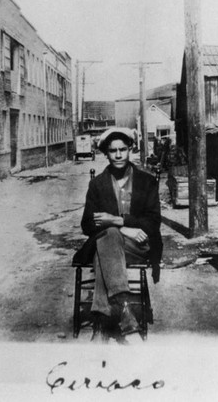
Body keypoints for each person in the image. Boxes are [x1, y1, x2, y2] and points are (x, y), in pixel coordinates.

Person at [73, 127, 163, 342]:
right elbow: (87, 224)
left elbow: (153, 223)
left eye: (123, 149)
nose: (119, 155)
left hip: (139, 246)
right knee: (110, 237)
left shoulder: (146, 182)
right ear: (106, 153)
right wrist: (121, 229)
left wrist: (117, 221)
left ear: (130, 149)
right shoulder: (98, 185)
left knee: (106, 243)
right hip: (111, 246)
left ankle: (102, 322)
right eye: (113, 151)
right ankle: (123, 308)